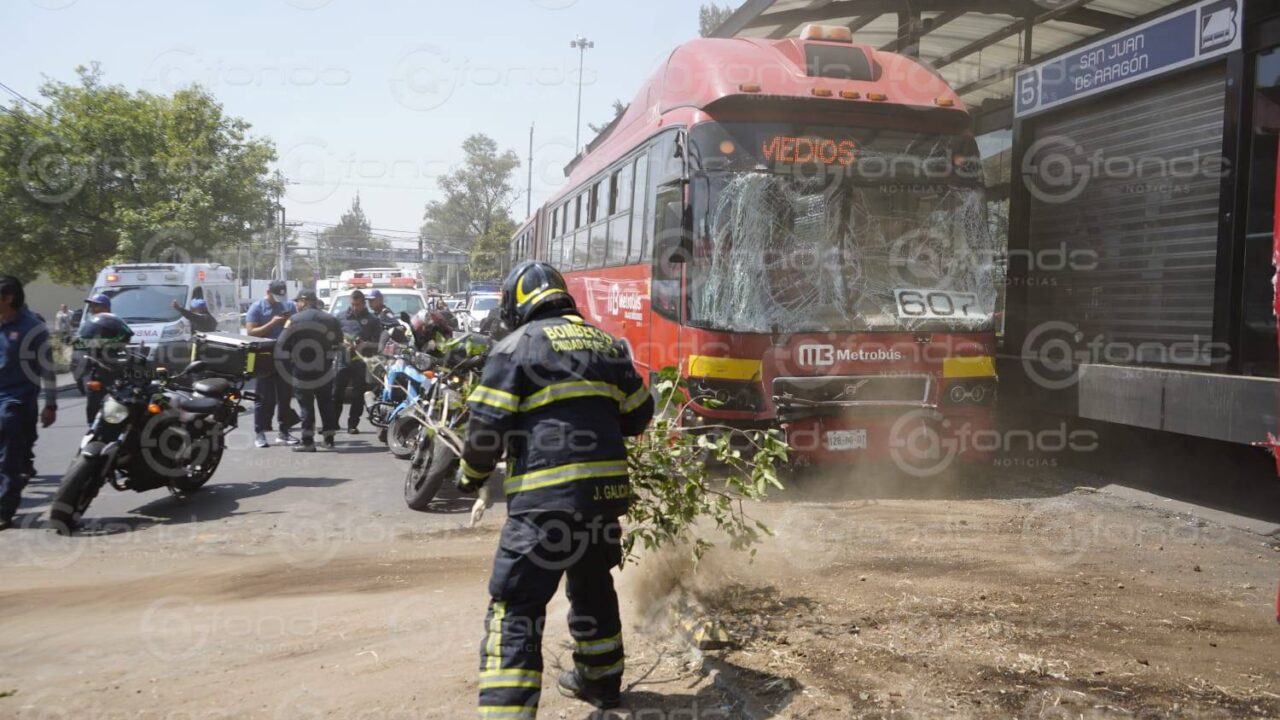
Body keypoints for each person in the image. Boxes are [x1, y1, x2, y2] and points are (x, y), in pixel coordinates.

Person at [456, 261, 654, 715]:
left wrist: (471, 477)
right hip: (601, 503)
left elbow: (486, 431)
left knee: (517, 607)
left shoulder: (516, 347)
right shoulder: (606, 344)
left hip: (544, 507)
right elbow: (640, 415)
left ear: (516, 303)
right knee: (592, 587)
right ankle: (601, 685)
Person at [0, 276, 58, 530]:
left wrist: (51, 404)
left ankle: (4, 510)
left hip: (16, 403)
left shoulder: (32, 328)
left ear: (8, 298)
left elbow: (47, 369)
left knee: (7, 460)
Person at [275, 290, 342, 452]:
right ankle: (329, 439)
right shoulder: (331, 319)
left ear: (304, 301)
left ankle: (307, 441)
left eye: (298, 301)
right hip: (324, 368)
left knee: (306, 406)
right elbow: (339, 342)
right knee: (326, 403)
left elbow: (281, 343)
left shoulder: (294, 319)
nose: (297, 305)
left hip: (301, 368)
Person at [245, 280, 299, 449]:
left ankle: (283, 431)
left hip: (285, 355)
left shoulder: (288, 305)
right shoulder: (257, 307)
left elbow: (296, 327)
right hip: (264, 357)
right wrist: (272, 323)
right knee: (263, 397)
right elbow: (251, 332)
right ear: (268, 292)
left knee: (284, 397)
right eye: (276, 296)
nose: (278, 300)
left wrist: (290, 322)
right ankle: (260, 432)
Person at [333, 290, 381, 434]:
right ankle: (333, 423)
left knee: (358, 395)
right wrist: (343, 344)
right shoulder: (340, 318)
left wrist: (365, 344)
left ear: (364, 303)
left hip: (361, 362)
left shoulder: (372, 320)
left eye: (358, 305)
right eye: (353, 304)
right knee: (336, 393)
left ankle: (352, 424)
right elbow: (333, 339)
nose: (355, 308)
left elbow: (379, 343)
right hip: (343, 361)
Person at [77, 293, 127, 424]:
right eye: (91, 306)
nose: (92, 309)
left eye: (96, 306)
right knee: (92, 396)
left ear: (106, 308)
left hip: (112, 367)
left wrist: (108, 343)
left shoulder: (115, 322)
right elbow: (79, 341)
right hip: (92, 366)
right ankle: (92, 426)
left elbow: (126, 336)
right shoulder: (89, 324)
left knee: (119, 398)